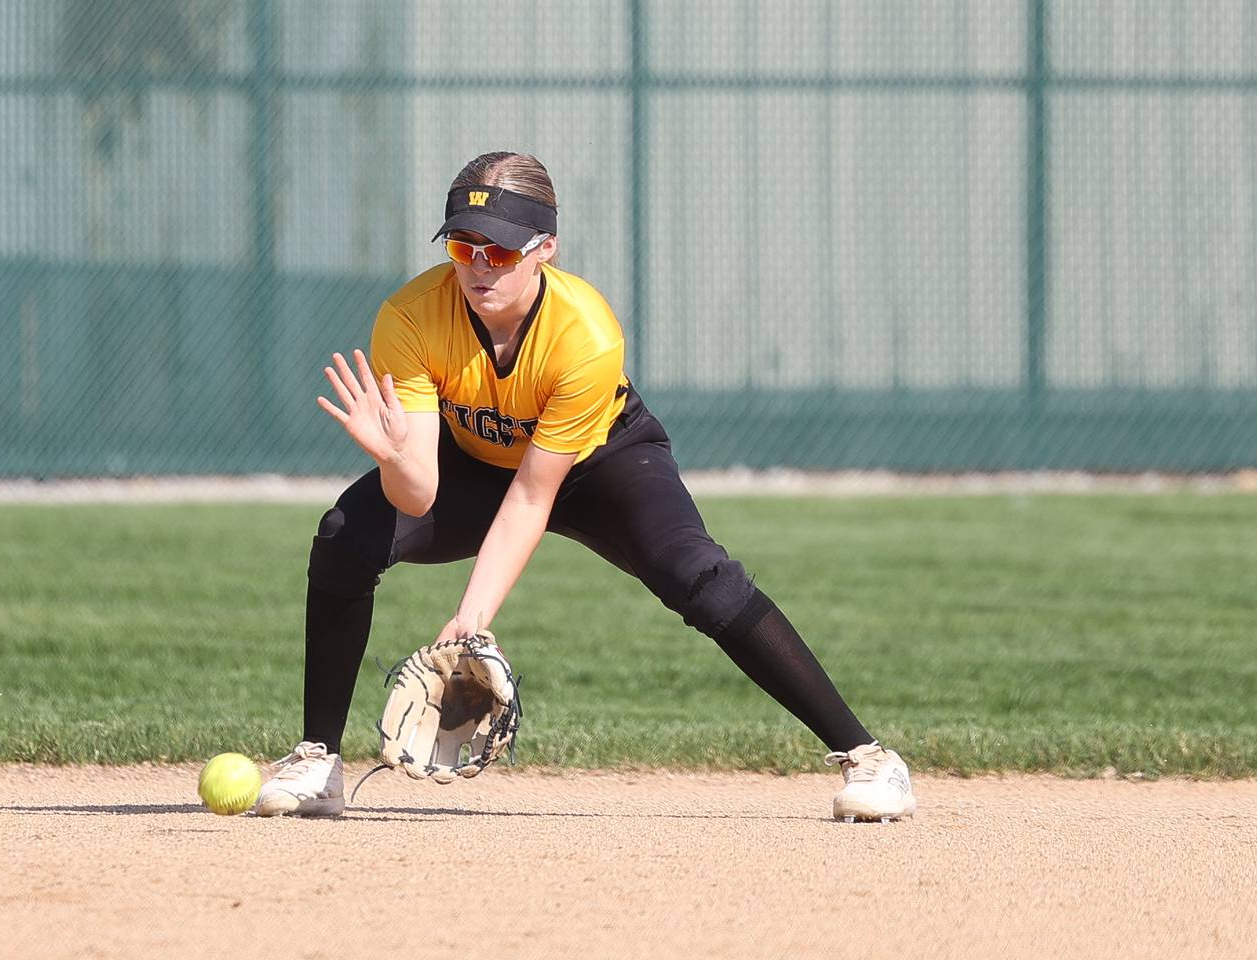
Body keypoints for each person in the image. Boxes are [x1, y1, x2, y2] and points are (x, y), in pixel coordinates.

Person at [255, 151, 917, 822]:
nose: (479, 265)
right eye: (464, 245)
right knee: (346, 534)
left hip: (602, 464)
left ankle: (869, 759)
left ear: (545, 248)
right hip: (474, 465)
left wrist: (470, 621)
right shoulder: (411, 318)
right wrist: (393, 459)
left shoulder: (586, 333)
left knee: (698, 576)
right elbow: (419, 496)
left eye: (501, 250)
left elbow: (535, 497)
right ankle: (319, 760)